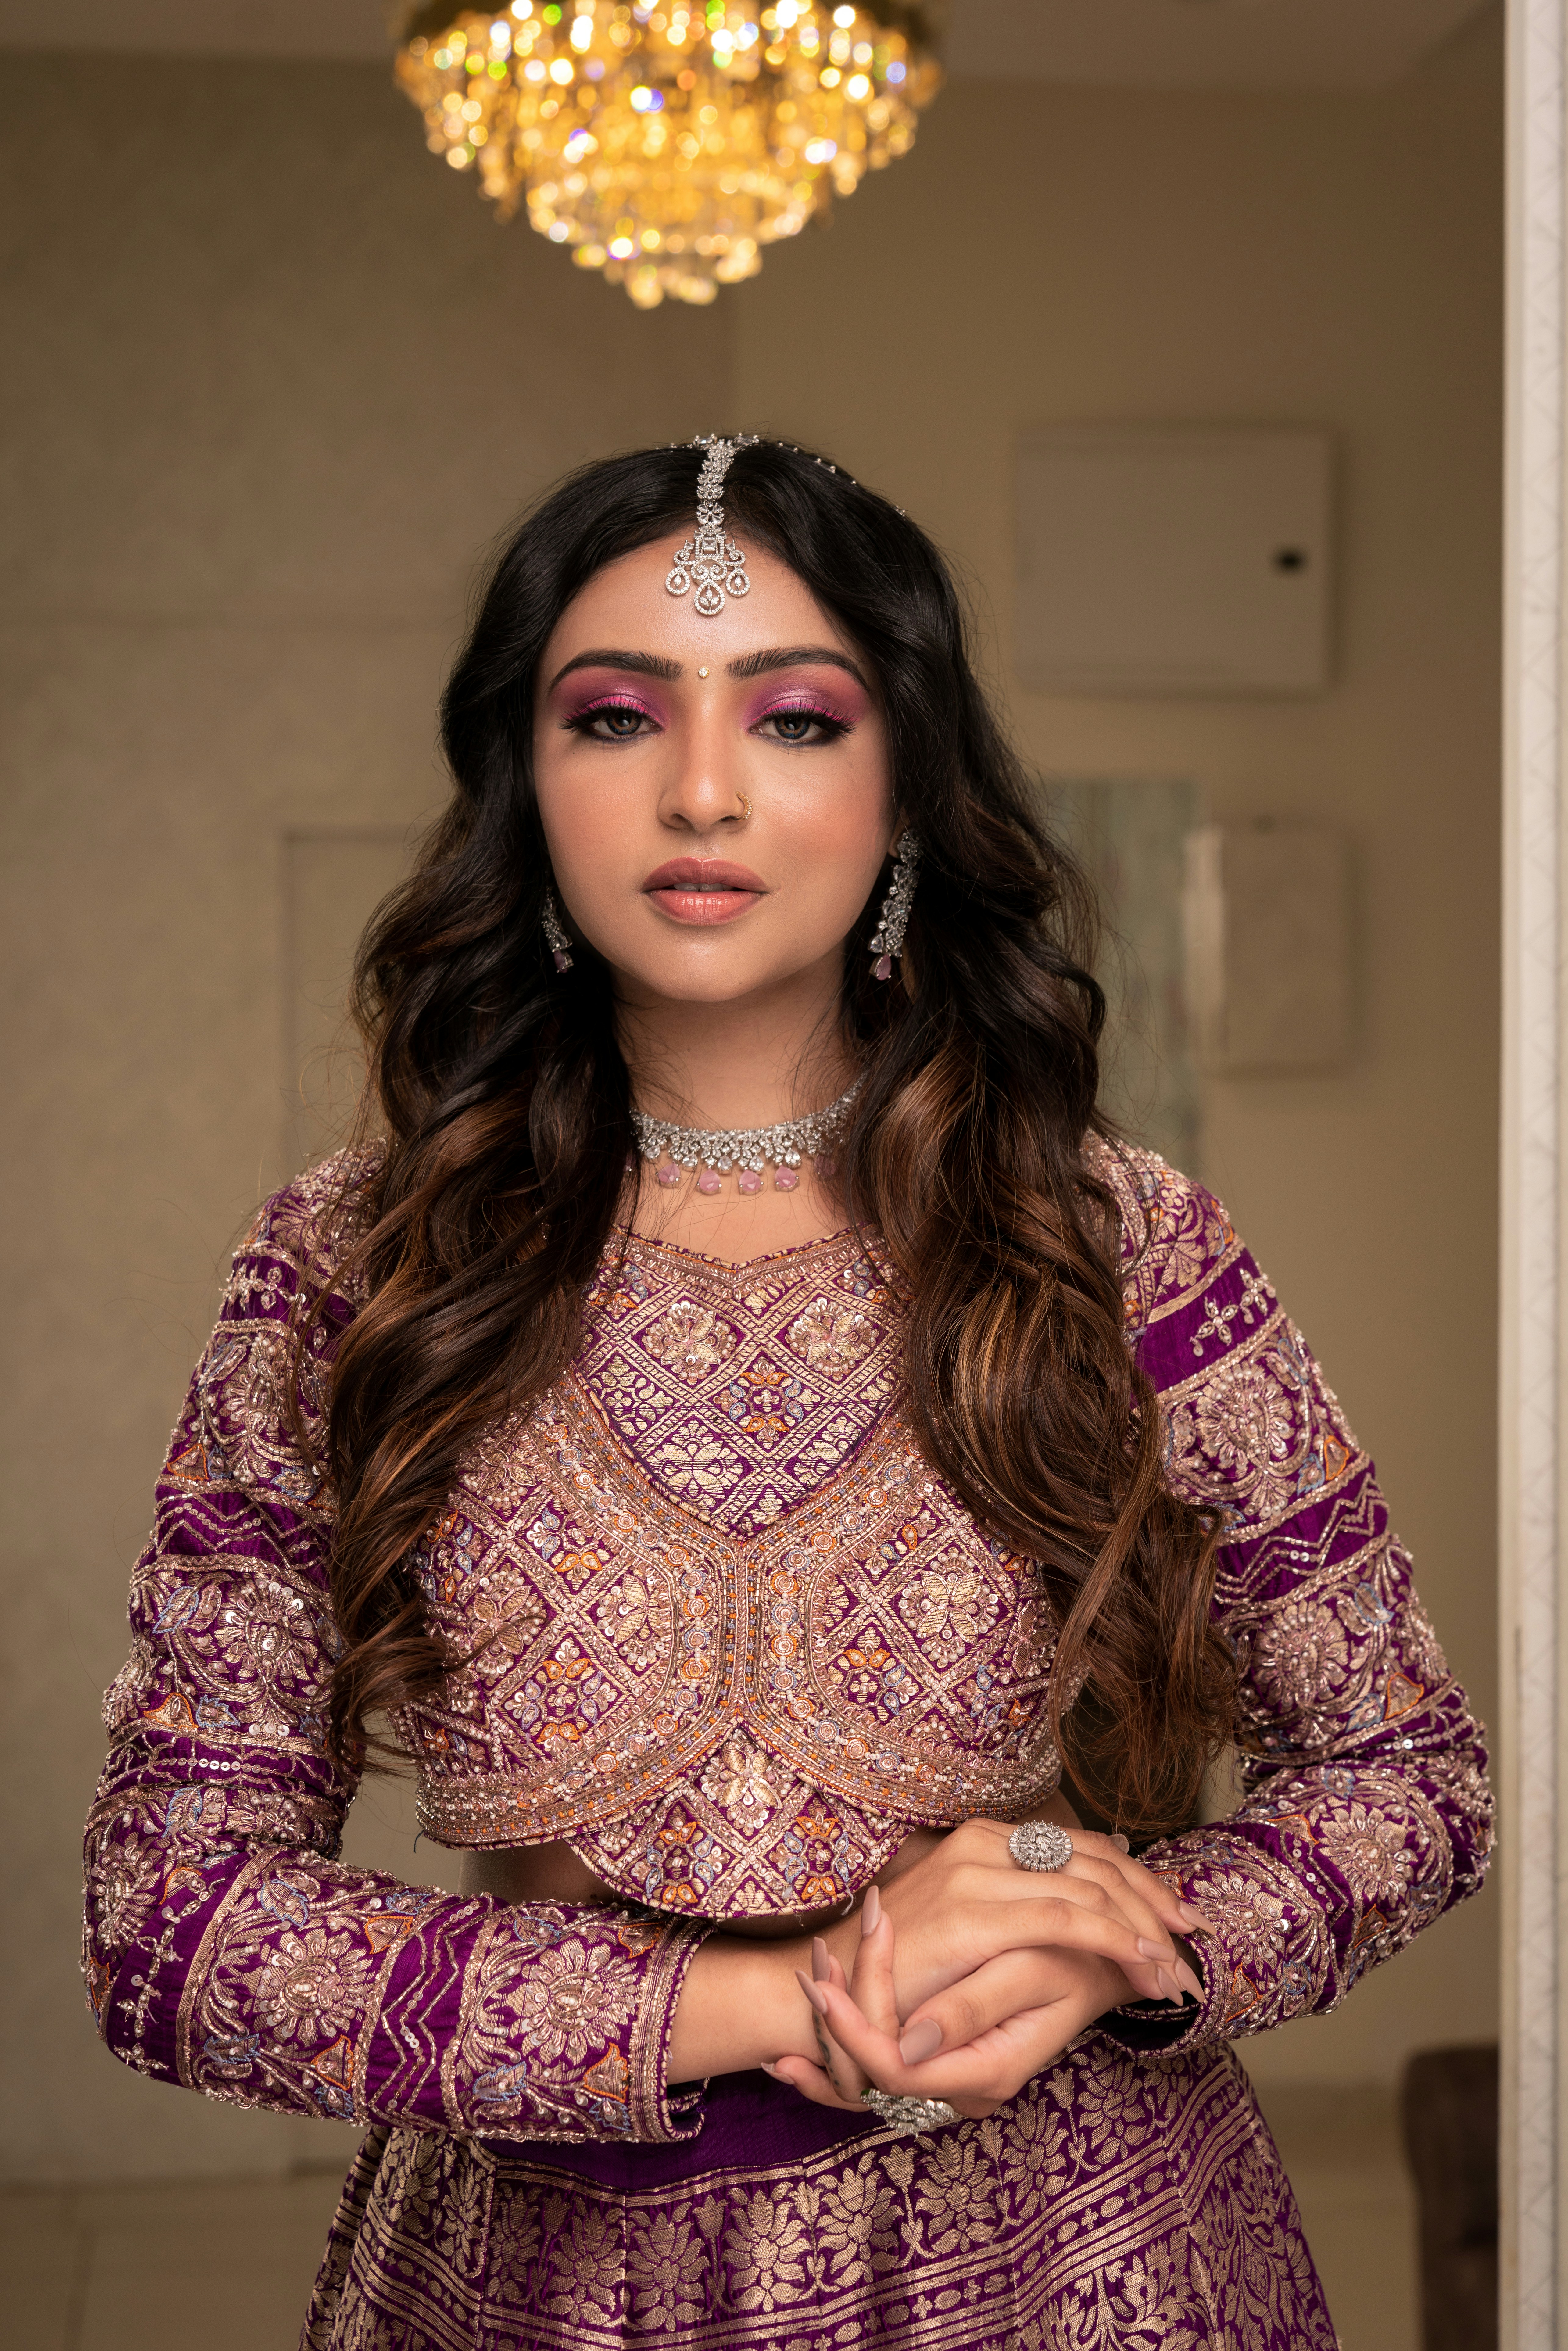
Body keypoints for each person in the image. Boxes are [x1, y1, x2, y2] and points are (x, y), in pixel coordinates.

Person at [82, 435, 1493, 2350]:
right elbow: (172, 1922)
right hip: (548, 2281)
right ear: (527, 784)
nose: (701, 788)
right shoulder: (358, 1268)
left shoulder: (1112, 1240)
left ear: (906, 781)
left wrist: (1114, 1946)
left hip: (1085, 2261)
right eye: (610, 715)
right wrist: (779, 2004)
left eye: (799, 718)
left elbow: (1411, 1781)